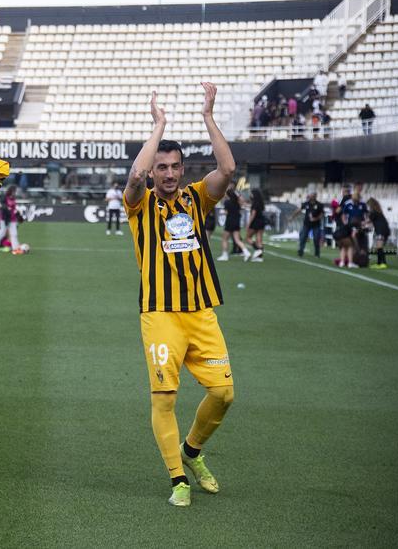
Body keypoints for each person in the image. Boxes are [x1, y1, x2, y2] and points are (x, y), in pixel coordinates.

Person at [123, 83, 235, 508]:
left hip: (201, 313)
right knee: (165, 398)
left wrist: (208, 117)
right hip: (160, 315)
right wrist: (160, 125)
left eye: (174, 167)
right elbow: (134, 177)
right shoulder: (140, 204)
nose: (168, 173)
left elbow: (227, 169)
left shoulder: (196, 199)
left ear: (182, 171)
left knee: (224, 394)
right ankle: (177, 479)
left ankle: (191, 451)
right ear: (154, 171)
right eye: (162, 167)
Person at [217, 186, 249, 262]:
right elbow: (243, 202)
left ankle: (225, 255)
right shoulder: (238, 202)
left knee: (225, 239)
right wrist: (238, 195)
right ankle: (246, 252)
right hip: (237, 221)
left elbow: (226, 212)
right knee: (237, 240)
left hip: (230, 222)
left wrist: (223, 212)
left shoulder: (227, 202)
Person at [293, 191, 325, 258]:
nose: (311, 197)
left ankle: (317, 253)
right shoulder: (306, 203)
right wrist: (292, 217)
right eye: (310, 195)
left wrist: (315, 219)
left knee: (316, 239)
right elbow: (299, 210)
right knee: (303, 237)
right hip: (307, 224)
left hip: (316, 224)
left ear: (315, 196)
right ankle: (300, 252)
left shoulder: (319, 205)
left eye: (312, 196)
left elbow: (322, 214)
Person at [367, 198, 392, 270]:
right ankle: (379, 263)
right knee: (379, 247)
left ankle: (382, 263)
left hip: (381, 230)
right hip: (384, 230)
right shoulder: (378, 212)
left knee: (379, 247)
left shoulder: (374, 212)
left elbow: (368, 221)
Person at [244, 189, 266, 262]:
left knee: (247, 238)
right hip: (261, 221)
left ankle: (257, 249)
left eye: (251, 193)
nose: (250, 195)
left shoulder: (255, 203)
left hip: (255, 222)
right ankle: (259, 257)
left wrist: (248, 224)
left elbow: (253, 214)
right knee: (259, 239)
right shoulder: (260, 203)